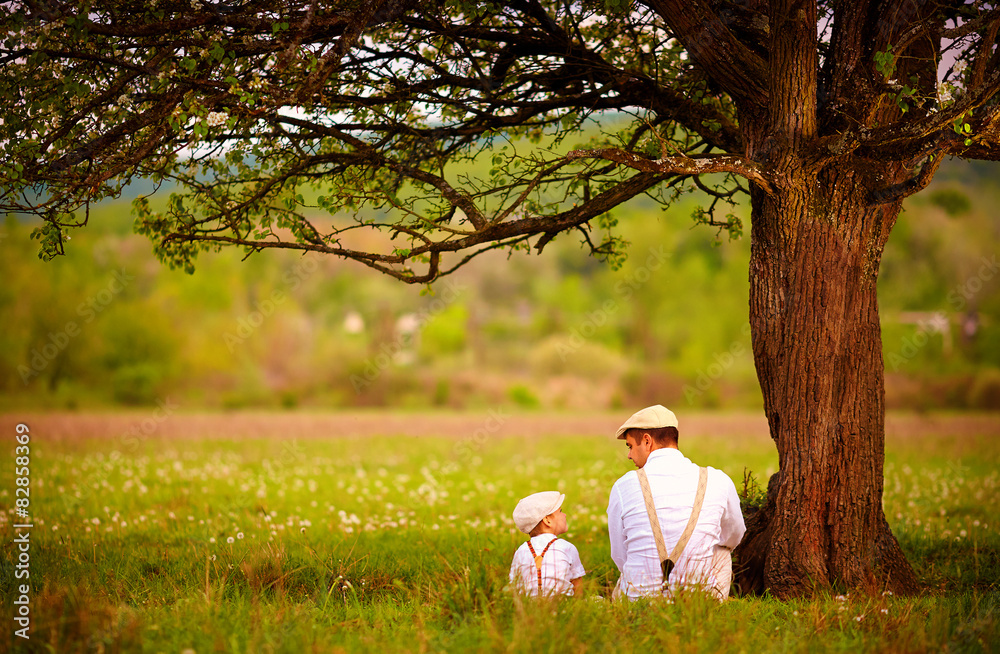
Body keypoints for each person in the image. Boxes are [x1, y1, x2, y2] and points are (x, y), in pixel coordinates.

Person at [607, 405, 745, 600]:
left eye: (630, 446)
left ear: (647, 441)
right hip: (696, 602)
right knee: (722, 550)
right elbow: (734, 536)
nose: (629, 455)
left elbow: (620, 555)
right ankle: (710, 606)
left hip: (639, 602)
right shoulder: (717, 480)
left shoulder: (623, 486)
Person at [509, 491, 586, 597]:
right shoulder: (566, 548)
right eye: (560, 511)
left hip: (529, 607)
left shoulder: (521, 551)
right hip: (563, 605)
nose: (565, 515)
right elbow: (577, 585)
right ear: (547, 520)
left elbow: (515, 585)